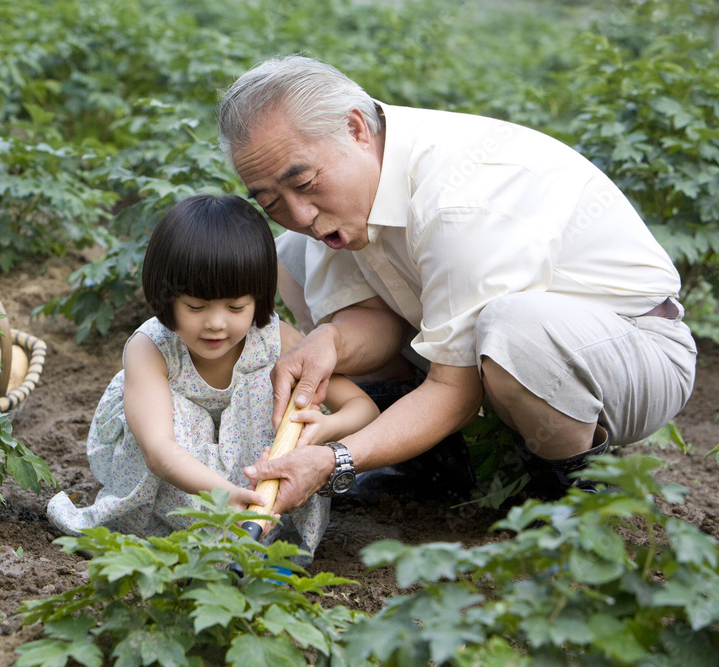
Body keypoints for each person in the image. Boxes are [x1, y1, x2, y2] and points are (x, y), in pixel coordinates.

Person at [216, 55, 698, 510]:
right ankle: (433, 470)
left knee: (516, 331)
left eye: (303, 184)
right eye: (270, 200)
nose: (298, 213)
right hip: (498, 353)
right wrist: (330, 343)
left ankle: (575, 495)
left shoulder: (458, 200)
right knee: (294, 254)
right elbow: (372, 317)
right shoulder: (349, 190)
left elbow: (457, 392)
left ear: (356, 128)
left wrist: (337, 459)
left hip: (630, 349)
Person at [46, 193, 379, 561]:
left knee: (280, 397)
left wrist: (321, 429)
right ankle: (186, 537)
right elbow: (159, 451)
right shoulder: (151, 348)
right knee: (181, 414)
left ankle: (259, 534)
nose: (216, 323)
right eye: (196, 306)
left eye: (236, 307)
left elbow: (361, 408)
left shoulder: (273, 338)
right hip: (178, 490)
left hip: (256, 499)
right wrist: (223, 496)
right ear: (166, 298)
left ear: (258, 297)